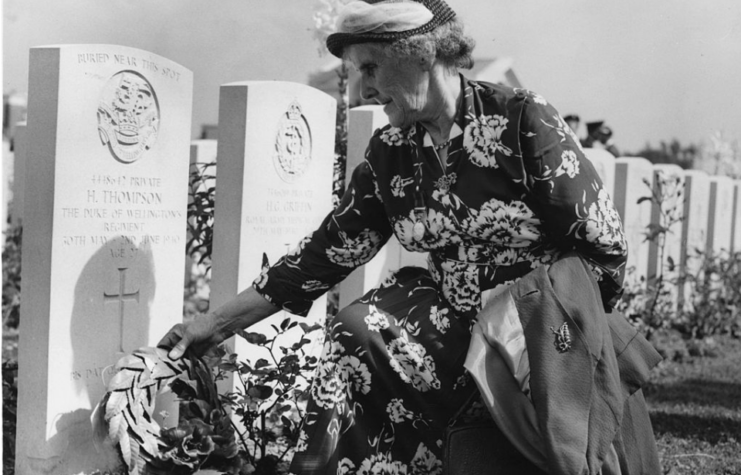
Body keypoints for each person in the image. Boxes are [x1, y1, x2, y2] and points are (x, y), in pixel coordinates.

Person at [159, 0, 659, 473]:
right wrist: (214, 325)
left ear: (421, 54)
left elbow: (604, 247)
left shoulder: (519, 120)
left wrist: (549, 332)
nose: (362, 90)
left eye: (370, 68)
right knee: (359, 329)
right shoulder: (391, 151)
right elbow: (319, 259)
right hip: (451, 327)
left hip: (540, 331)